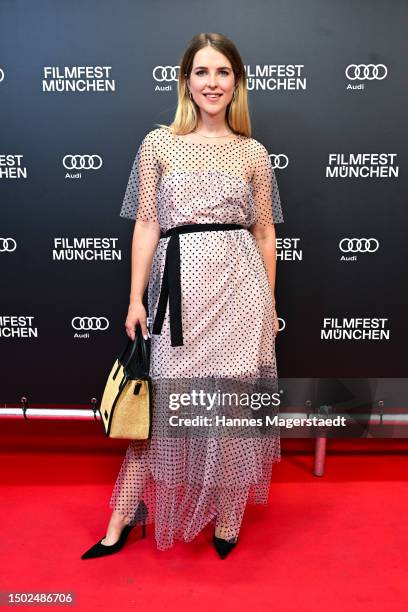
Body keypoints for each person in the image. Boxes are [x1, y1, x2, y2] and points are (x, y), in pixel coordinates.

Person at [81, 31, 284, 561]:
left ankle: (229, 521)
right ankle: (121, 519)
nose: (212, 83)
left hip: (242, 297)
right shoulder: (159, 144)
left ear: (236, 82)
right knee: (164, 412)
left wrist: (271, 307)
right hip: (177, 300)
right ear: (186, 81)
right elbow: (146, 224)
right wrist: (134, 300)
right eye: (202, 72)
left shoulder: (254, 153)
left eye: (223, 73)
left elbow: (265, 234)